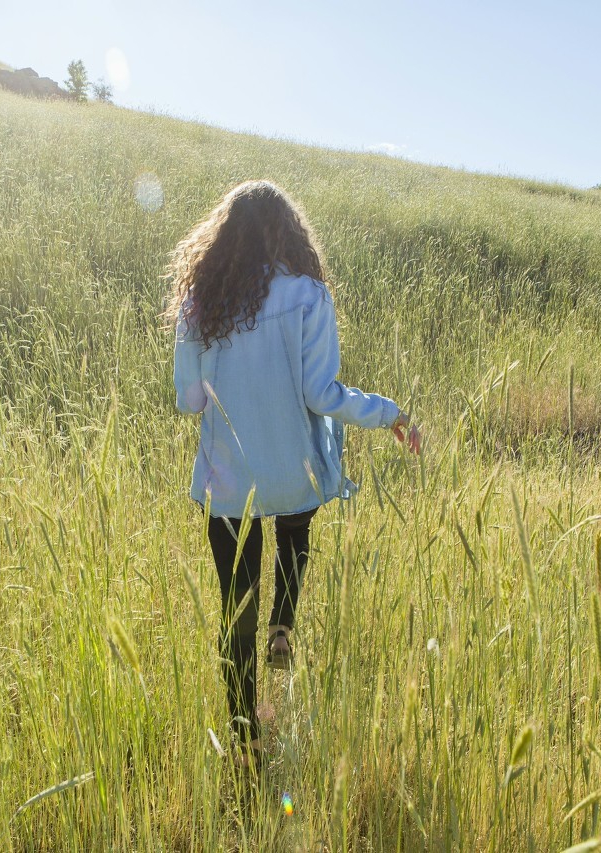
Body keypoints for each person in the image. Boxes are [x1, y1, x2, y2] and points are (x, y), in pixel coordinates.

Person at [167, 180, 420, 770]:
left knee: (236, 610)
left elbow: (189, 402)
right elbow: (321, 394)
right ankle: (284, 625)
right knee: (295, 524)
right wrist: (390, 413)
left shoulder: (201, 301)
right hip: (292, 471)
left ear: (222, 237)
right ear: (288, 232)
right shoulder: (308, 295)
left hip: (228, 484)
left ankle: (246, 741)